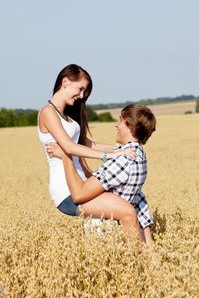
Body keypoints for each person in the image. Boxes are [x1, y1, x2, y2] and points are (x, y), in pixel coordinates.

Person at [38, 64, 144, 241]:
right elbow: (69, 148)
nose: (81, 96)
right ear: (65, 82)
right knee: (127, 213)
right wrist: (111, 156)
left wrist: (125, 148)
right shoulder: (47, 112)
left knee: (136, 204)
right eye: (80, 89)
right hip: (67, 192)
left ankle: (147, 259)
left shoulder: (68, 118)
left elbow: (90, 145)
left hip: (83, 184)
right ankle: (146, 264)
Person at [46, 104, 156, 243]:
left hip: (106, 229)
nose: (116, 125)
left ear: (130, 125)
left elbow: (79, 194)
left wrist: (66, 156)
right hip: (118, 224)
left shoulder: (122, 160)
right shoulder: (138, 154)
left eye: (120, 120)